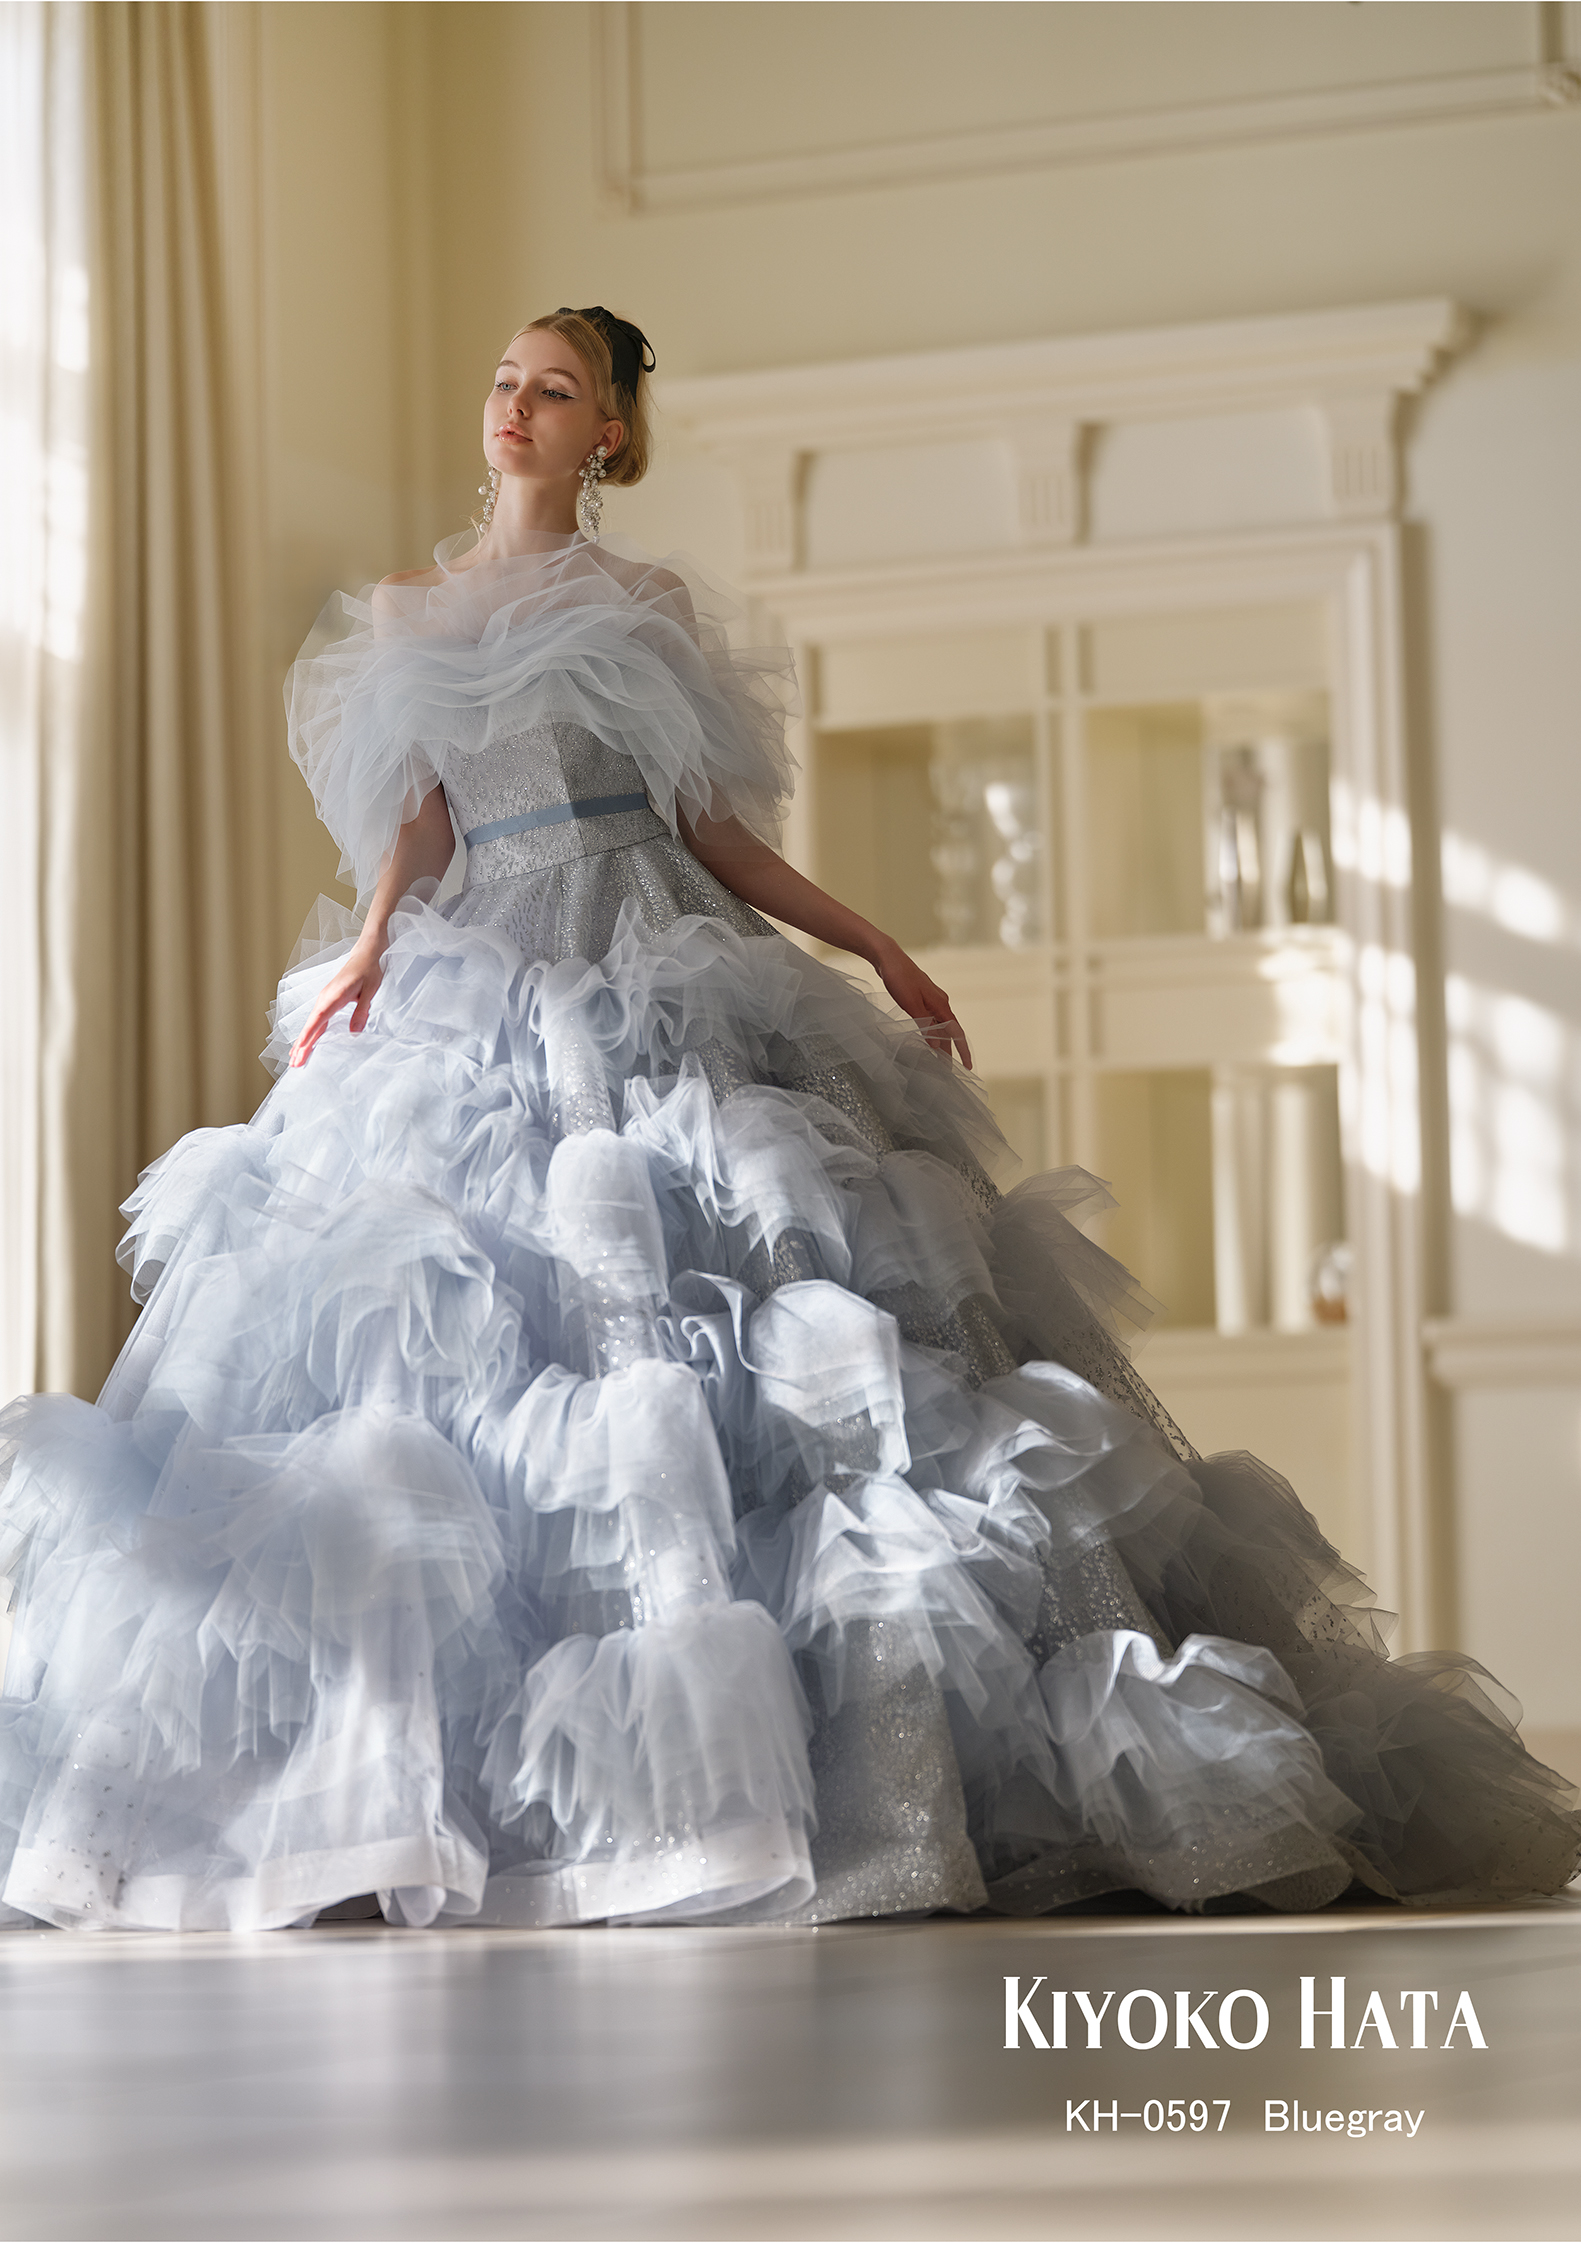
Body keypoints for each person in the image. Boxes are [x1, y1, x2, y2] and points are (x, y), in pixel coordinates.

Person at [0, 307, 1575, 1933]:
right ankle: (467, 1806)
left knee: (762, 1317)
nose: (515, 409)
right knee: (453, 1346)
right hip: (479, 971)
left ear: (610, 432)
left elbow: (712, 837)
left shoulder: (641, 605)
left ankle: (834, 1780)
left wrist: (874, 943)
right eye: (505, 383)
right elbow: (418, 824)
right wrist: (372, 948)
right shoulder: (407, 608)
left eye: (555, 390)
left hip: (655, 948)